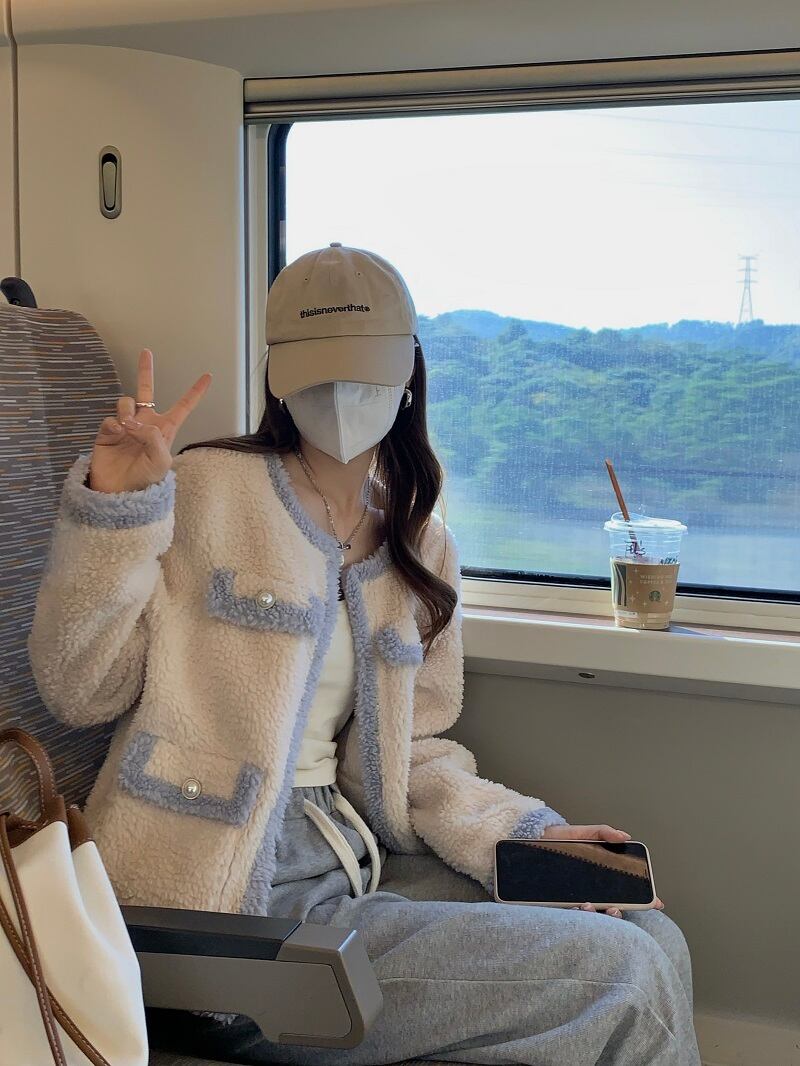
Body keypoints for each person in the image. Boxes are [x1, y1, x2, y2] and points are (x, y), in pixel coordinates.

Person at [27, 243, 701, 1066]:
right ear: (278, 375)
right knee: (623, 974)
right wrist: (116, 507)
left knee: (653, 935)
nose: (343, 393)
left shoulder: (421, 544)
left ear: (409, 373)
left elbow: (414, 751)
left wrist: (529, 838)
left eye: (365, 369)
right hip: (219, 912)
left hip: (357, 861)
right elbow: (80, 688)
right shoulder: (202, 490)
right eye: (320, 368)